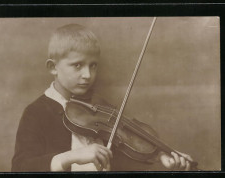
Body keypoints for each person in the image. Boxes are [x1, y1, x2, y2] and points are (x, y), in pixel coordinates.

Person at [11, 23, 193, 172]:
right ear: (53, 67)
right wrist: (72, 156)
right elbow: (20, 167)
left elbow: (126, 145)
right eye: (77, 65)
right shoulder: (36, 112)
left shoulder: (97, 107)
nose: (87, 75)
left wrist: (161, 155)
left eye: (93, 66)